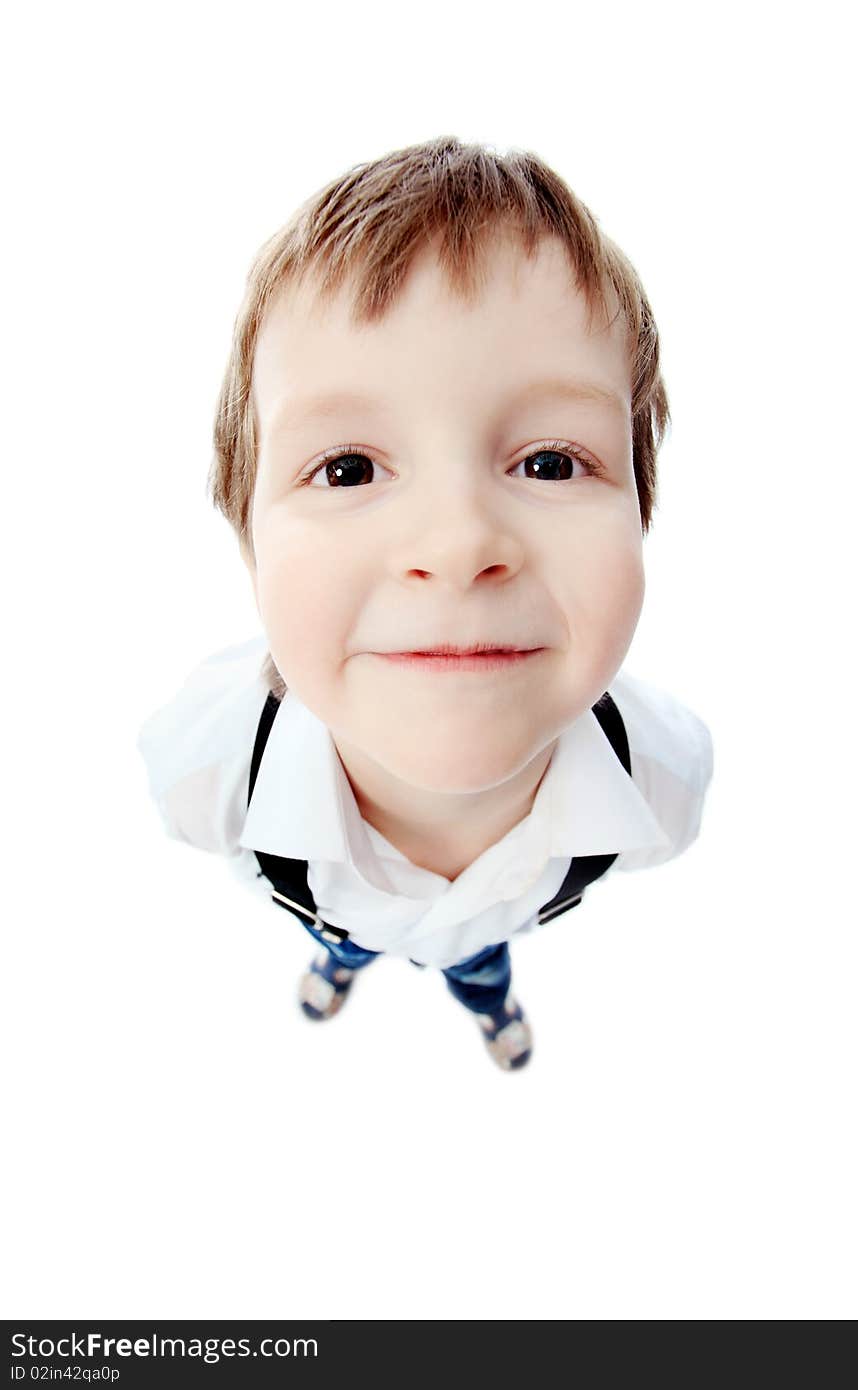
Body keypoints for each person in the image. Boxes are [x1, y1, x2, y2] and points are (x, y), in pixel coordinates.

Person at [137, 135, 714, 1072]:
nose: (456, 548)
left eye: (551, 462)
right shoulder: (208, 773)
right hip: (335, 908)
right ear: (247, 541)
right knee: (341, 936)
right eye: (350, 468)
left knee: (479, 959)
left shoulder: (661, 784)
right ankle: (339, 965)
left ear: (643, 515)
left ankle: (488, 1003)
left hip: (491, 927)